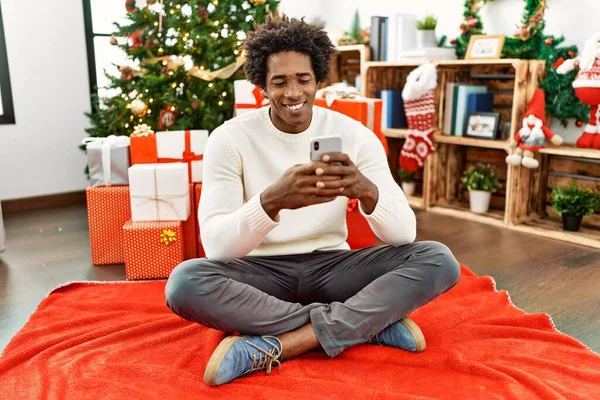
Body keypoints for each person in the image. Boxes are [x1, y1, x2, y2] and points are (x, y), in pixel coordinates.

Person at [165, 16, 460, 387]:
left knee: (437, 259)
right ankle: (364, 325)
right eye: (279, 81)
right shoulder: (229, 139)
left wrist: (366, 191)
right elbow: (217, 246)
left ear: (319, 79)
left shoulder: (355, 135)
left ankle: (284, 344)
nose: (292, 93)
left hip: (334, 268)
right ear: (261, 85)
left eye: (303, 79)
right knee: (185, 282)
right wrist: (270, 202)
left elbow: (403, 234)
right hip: (259, 274)